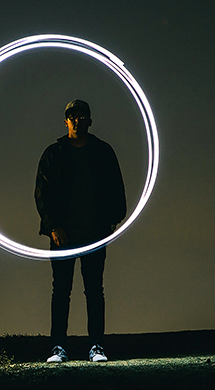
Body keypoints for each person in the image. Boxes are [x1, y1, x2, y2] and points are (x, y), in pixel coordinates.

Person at [34, 99, 126, 363]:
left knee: (94, 290)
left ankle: (96, 346)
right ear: (66, 121)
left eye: (82, 116)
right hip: (63, 235)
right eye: (72, 116)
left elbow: (116, 188)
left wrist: (110, 223)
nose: (77, 120)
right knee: (61, 291)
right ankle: (58, 348)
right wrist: (52, 226)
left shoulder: (102, 152)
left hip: (94, 233)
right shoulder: (54, 153)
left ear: (89, 120)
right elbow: (42, 192)